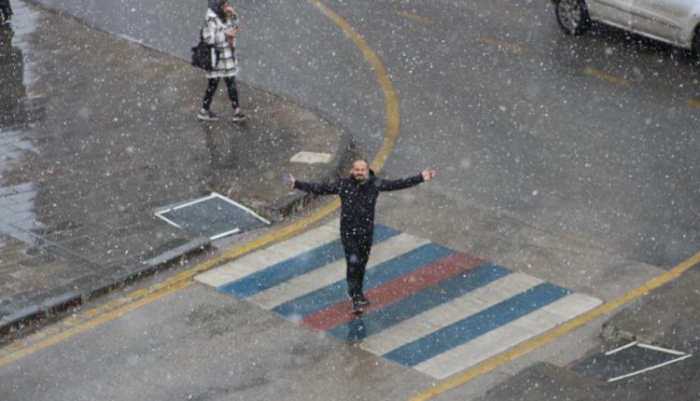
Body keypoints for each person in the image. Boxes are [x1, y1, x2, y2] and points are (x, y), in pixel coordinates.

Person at [287, 159, 437, 314]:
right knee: (353, 265)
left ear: (367, 170)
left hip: (366, 233)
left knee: (362, 265)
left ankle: (358, 292)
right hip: (348, 234)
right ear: (352, 171)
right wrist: (297, 184)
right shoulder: (343, 185)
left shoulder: (375, 184)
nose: (359, 172)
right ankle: (355, 298)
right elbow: (320, 188)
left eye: (362, 169)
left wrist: (420, 177)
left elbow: (397, 184)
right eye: (357, 169)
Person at [197, 0, 246, 122]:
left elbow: (234, 27)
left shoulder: (224, 15)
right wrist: (225, 35)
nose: (227, 6)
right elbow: (208, 39)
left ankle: (237, 111)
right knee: (213, 85)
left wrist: (233, 15)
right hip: (217, 60)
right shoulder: (210, 20)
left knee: (231, 84)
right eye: (224, 4)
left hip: (227, 58)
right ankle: (204, 110)